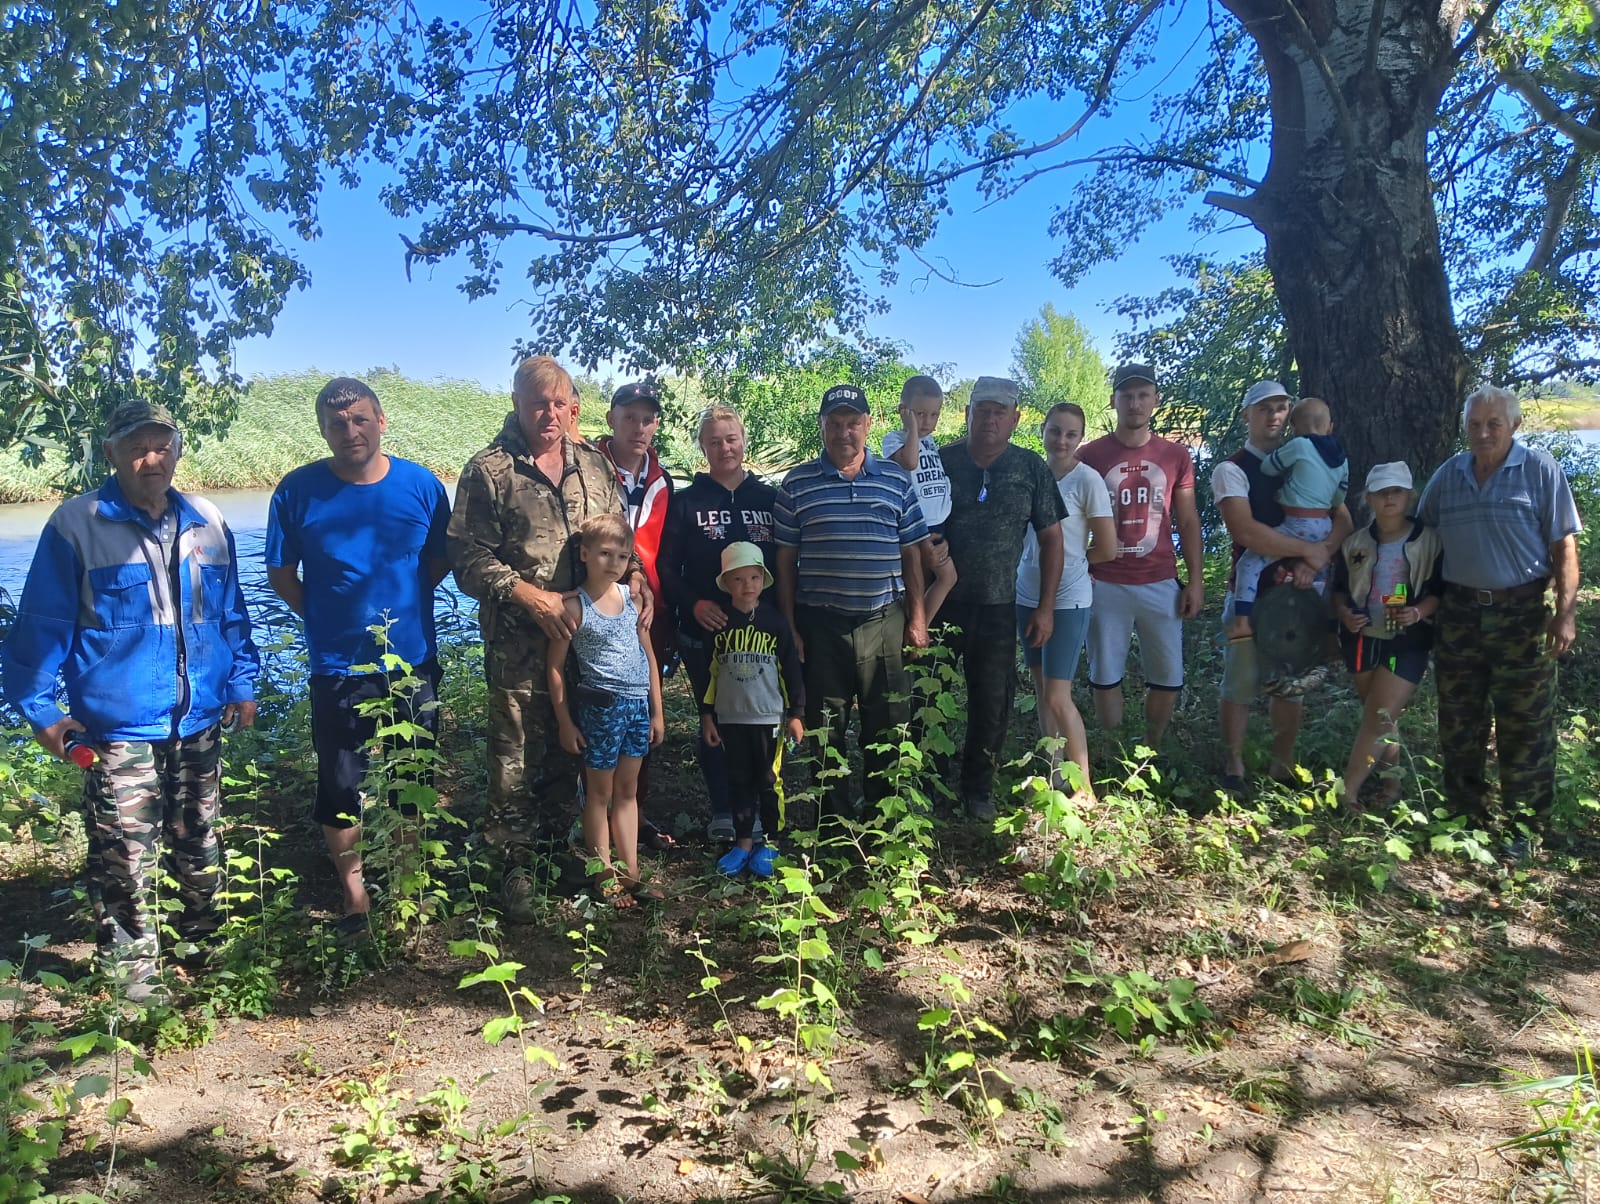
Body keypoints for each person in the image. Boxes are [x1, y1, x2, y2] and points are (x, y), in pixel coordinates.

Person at [1, 399, 259, 1003]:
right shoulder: (77, 525)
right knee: (124, 855)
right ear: (110, 452)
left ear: (177, 449)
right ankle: (133, 981)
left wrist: (242, 680)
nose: (152, 457)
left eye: (162, 444)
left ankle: (204, 954)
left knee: (200, 840)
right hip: (118, 728)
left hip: (198, 719)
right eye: (137, 446)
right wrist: (44, 714)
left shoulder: (208, 520)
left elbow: (230, 614)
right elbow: (37, 630)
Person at [447, 355, 646, 922]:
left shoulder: (592, 465)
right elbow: (465, 555)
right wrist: (525, 594)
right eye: (538, 402)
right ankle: (512, 865)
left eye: (559, 403)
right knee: (515, 753)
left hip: (591, 640)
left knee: (574, 743)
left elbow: (617, 540)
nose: (549, 413)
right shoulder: (490, 470)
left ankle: (563, 851)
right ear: (516, 403)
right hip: (519, 641)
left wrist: (636, 580)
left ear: (572, 406)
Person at [265, 377, 451, 934]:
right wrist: (325, 618)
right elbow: (280, 576)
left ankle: (407, 884)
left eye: (360, 419)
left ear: (381, 421)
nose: (350, 431)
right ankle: (356, 899)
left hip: (411, 662)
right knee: (341, 782)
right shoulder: (296, 492)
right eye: (337, 423)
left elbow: (441, 560)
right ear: (323, 430)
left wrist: (410, 600)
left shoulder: (421, 485)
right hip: (338, 667)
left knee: (410, 777)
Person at [1417, 385, 1581, 841]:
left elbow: (1564, 548)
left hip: (1522, 617)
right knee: (1458, 721)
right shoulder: (1448, 476)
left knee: (1525, 726)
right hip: (1460, 616)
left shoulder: (1538, 470)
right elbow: (1420, 536)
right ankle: (1465, 820)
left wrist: (1564, 614)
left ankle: (1525, 831)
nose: (1483, 433)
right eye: (1474, 424)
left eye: (1494, 424)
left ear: (1514, 426)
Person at [774, 383, 931, 822]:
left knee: (887, 722)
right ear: (822, 427)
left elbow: (912, 554)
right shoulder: (797, 483)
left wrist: (917, 620)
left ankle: (885, 821)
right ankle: (833, 827)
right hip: (822, 624)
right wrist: (791, 627)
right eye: (835, 423)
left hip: (885, 619)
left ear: (869, 425)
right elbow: (784, 560)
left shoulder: (896, 480)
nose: (844, 432)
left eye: (853, 423)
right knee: (827, 727)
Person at [1213, 380, 1353, 796]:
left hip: (1300, 598)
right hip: (1252, 595)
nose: (1273, 415)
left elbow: (1342, 517)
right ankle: (1234, 765)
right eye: (1263, 409)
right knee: (1239, 684)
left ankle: (1282, 764)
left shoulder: (1308, 456)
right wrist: (1308, 551)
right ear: (1247, 416)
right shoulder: (1233, 469)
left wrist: (1321, 555)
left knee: (1291, 685)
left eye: (1280, 407)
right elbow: (1247, 531)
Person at [937, 376, 1068, 820]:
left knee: (992, 701)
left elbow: (1053, 539)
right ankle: (928, 780)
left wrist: (1046, 608)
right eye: (982, 409)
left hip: (997, 606)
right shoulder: (940, 461)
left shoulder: (1030, 468)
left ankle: (978, 789)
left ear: (1015, 418)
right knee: (926, 696)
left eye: (999, 411)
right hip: (941, 603)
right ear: (968, 413)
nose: (990, 418)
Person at [658, 404, 780, 841]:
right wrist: (692, 606)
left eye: (731, 438)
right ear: (703, 447)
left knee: (759, 720)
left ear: (744, 440)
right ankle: (724, 809)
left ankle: (762, 808)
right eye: (714, 441)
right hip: (706, 632)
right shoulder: (687, 501)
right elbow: (667, 567)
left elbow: (787, 564)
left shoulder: (769, 499)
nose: (724, 447)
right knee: (715, 717)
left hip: (761, 633)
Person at [1077, 364, 1204, 750]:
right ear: (1113, 400)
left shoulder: (1175, 455)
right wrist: (1081, 567)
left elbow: (1186, 518)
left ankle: (1152, 747)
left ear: (1155, 400)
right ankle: (1114, 749)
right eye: (1126, 395)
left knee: (1167, 676)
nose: (1134, 402)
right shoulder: (1089, 455)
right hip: (1106, 581)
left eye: (1142, 394)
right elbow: (1075, 520)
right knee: (1105, 675)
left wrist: (1195, 580)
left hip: (1159, 579)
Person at [547, 515, 665, 906]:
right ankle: (603, 874)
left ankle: (631, 872)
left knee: (628, 792)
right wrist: (565, 722)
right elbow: (555, 668)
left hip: (636, 707)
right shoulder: (573, 605)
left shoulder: (632, 599)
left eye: (622, 555)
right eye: (604, 554)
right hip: (602, 708)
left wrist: (657, 712)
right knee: (599, 793)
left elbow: (649, 658)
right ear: (584, 554)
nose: (613, 562)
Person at [1015, 403, 1116, 798]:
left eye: (1071, 434)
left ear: (1081, 438)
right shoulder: (1029, 474)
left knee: (1059, 695)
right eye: (1055, 431)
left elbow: (1107, 548)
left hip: (1068, 599)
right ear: (1042, 430)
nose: (1061, 440)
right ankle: (1054, 774)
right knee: (1041, 690)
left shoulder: (1087, 480)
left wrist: (1069, 566)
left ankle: (1084, 788)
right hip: (1025, 593)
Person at [1329, 463, 1442, 808]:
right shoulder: (1355, 543)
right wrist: (1344, 614)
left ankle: (1347, 790)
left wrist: (1418, 611)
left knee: (1378, 715)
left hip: (1407, 640)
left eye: (1396, 491)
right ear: (1369, 499)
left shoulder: (1430, 540)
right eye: (1381, 492)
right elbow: (1338, 590)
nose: (1389, 498)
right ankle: (1392, 788)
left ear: (1410, 496)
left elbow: (1440, 590)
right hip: (1362, 638)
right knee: (1380, 717)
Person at [595, 379, 675, 850]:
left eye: (647, 419)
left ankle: (634, 812)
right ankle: (591, 819)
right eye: (629, 417)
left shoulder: (662, 482)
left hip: (647, 613)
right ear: (611, 420)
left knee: (639, 713)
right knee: (596, 713)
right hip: (599, 611)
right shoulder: (585, 466)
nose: (638, 428)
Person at [700, 542, 805, 877]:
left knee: (768, 780)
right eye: (738, 579)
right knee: (739, 781)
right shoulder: (719, 624)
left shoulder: (775, 622)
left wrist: (796, 714)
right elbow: (710, 673)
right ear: (726, 583)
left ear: (763, 580)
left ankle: (771, 842)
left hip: (768, 718)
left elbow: (790, 669)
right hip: (731, 718)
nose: (747, 586)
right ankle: (743, 842)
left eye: (754, 577)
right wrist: (707, 715)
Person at [1226, 397, 1349, 640]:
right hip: (1323, 524)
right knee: (1321, 577)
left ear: (1294, 428)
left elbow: (1269, 467)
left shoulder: (1300, 446)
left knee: (1248, 564)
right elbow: (1339, 497)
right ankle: (1324, 630)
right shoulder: (1342, 458)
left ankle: (1242, 621)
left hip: (1297, 522)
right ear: (1330, 426)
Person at [884, 375, 958, 624]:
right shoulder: (894, 439)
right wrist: (912, 429)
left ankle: (918, 629)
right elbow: (910, 462)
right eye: (920, 414)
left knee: (942, 578)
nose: (927, 422)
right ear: (903, 411)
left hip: (938, 523)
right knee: (926, 579)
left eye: (934, 415)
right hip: (916, 525)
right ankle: (916, 631)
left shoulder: (931, 441)